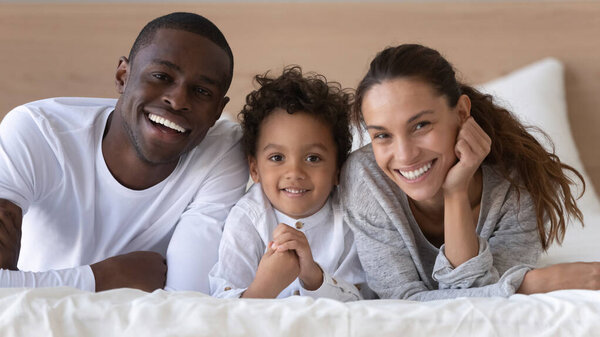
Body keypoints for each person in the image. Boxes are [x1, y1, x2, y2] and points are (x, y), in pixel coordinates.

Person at [0, 12, 248, 293]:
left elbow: (188, 298)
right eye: (161, 76)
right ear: (122, 76)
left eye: (202, 91)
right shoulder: (37, 132)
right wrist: (105, 277)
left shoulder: (223, 150)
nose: (178, 100)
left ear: (218, 110)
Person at [341, 43, 600, 301]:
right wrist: (532, 284)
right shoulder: (367, 179)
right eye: (382, 135)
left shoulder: (517, 185)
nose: (405, 155)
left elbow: (473, 304)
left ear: (462, 112)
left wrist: (456, 192)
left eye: (421, 125)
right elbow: (401, 301)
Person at [209, 66, 370, 300]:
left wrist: (313, 276)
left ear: (338, 170)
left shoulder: (349, 219)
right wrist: (265, 286)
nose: (294, 172)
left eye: (313, 158)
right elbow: (220, 304)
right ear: (255, 169)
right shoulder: (248, 218)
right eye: (277, 158)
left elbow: (359, 300)